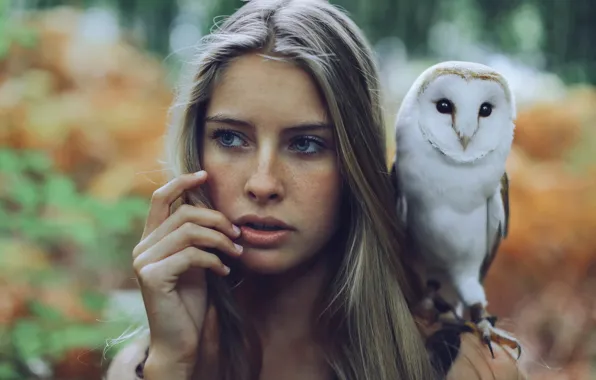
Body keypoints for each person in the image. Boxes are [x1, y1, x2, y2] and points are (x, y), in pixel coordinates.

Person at [106, 0, 525, 379]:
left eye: (306, 144)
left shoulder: (470, 370)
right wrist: (175, 363)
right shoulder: (148, 365)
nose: (263, 183)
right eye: (231, 138)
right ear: (196, 148)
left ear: (355, 164)